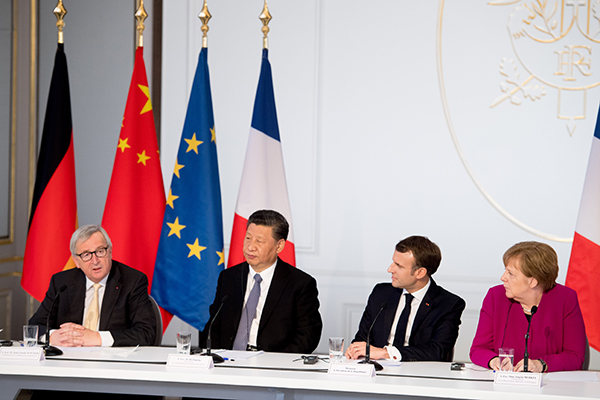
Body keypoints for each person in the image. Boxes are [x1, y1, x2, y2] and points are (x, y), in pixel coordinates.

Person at [200, 209, 322, 353]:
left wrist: (275, 361)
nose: (250, 247)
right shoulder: (229, 277)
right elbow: (213, 326)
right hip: (228, 358)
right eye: (248, 238)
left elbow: (308, 336)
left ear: (279, 246)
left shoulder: (300, 284)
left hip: (272, 361)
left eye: (259, 241)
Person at [29, 224, 157, 347]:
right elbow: (34, 326)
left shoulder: (133, 281)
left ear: (110, 251)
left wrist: (97, 338)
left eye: (100, 251)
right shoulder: (62, 282)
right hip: (70, 357)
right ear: (76, 261)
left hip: (112, 359)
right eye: (86, 255)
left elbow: (146, 333)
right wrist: (52, 336)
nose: (95, 261)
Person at [470, 241, 586, 372]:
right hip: (504, 381)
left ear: (533, 281)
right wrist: (494, 360)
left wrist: (541, 364)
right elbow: (478, 350)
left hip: (549, 382)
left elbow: (575, 356)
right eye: (505, 270)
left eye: (511, 273)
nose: (503, 278)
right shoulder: (495, 297)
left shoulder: (565, 298)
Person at [346, 236, 465, 362]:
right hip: (378, 369)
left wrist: (386, 353)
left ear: (420, 273)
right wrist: (356, 351)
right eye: (393, 262)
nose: (390, 269)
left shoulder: (449, 304)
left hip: (419, 371)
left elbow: (437, 351)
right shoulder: (381, 293)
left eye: (399, 266)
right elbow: (362, 340)